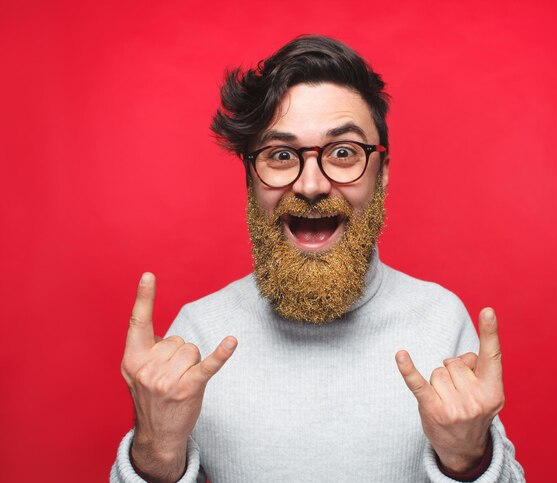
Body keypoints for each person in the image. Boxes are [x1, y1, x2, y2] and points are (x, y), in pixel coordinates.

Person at [111, 35, 525, 482]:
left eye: (343, 152)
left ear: (382, 175)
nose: (311, 185)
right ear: (250, 178)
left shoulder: (442, 322)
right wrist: (156, 449)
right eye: (281, 155)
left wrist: (468, 459)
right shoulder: (197, 335)